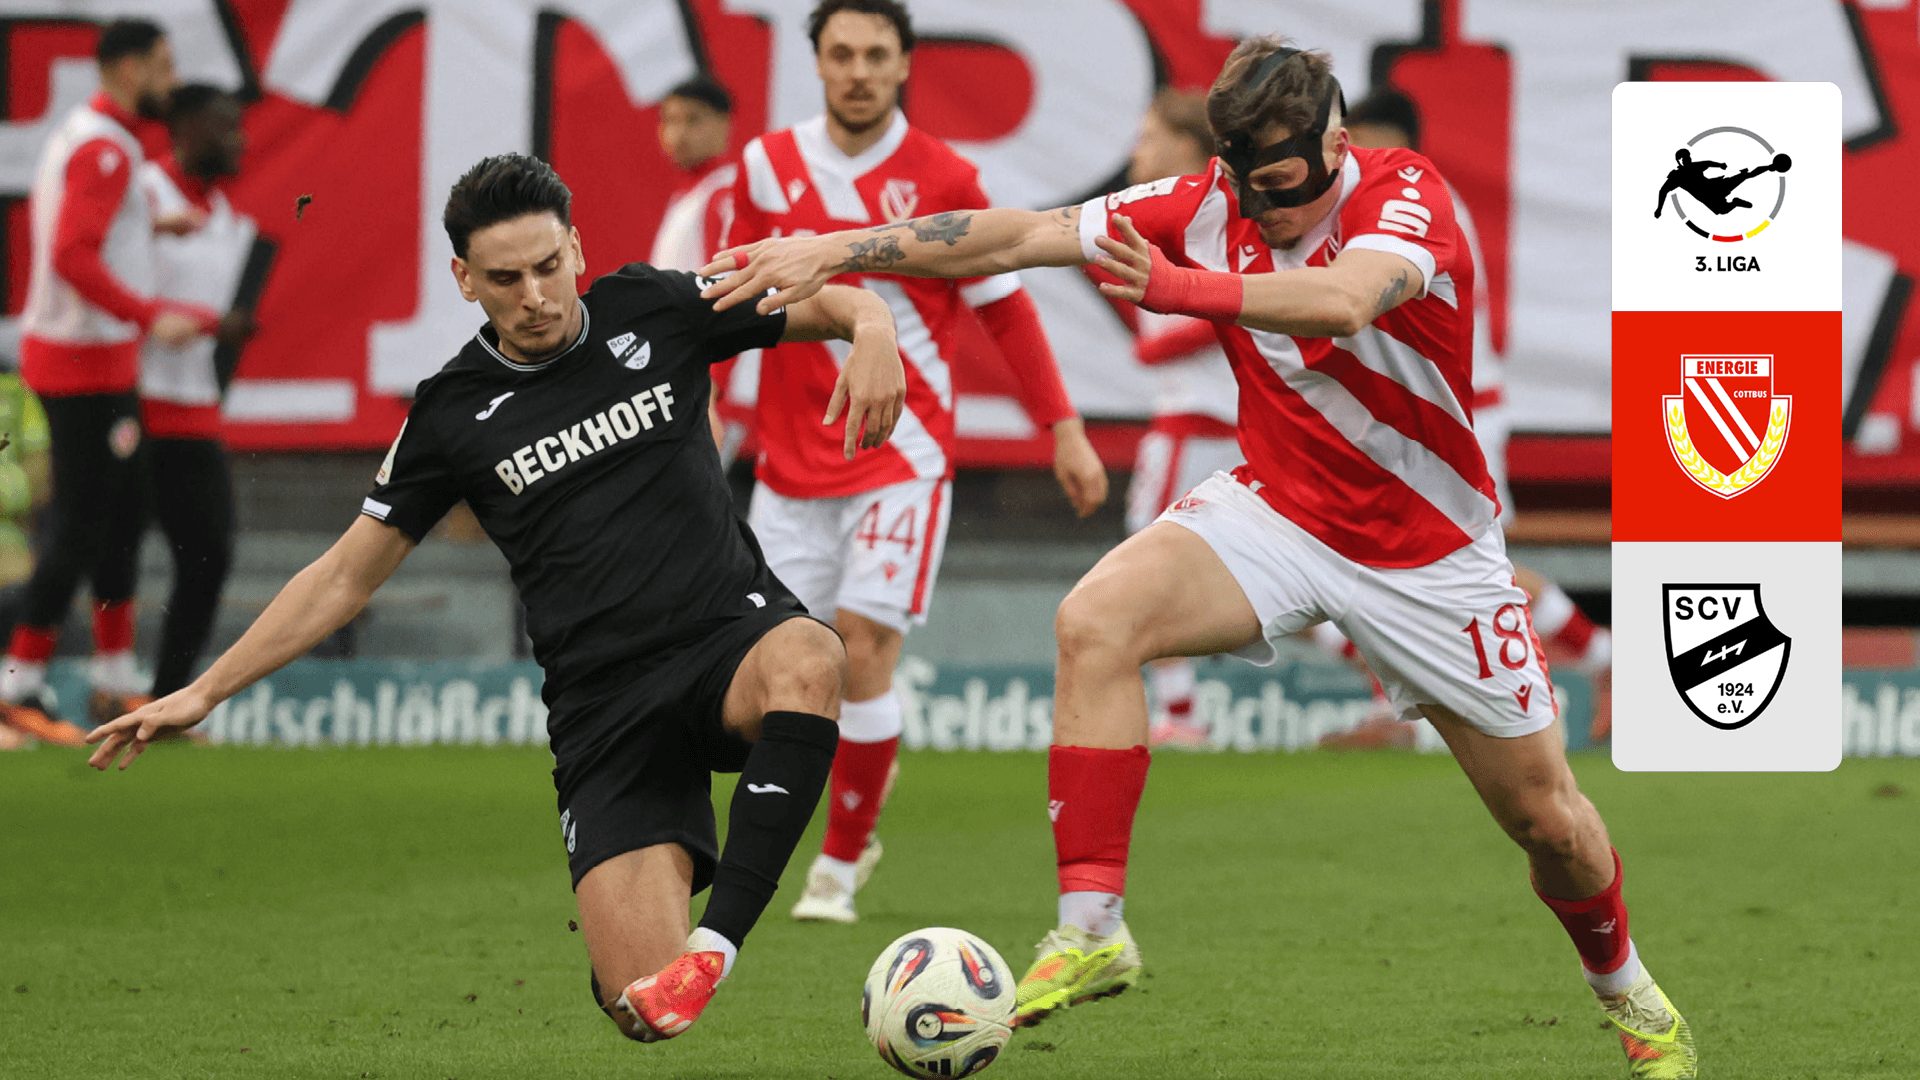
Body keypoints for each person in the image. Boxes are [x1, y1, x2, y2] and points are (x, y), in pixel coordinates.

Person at [700, 40, 1696, 1079]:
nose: (1266, 211)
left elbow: (1345, 300)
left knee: (1548, 822)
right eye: (1247, 186)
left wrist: (1186, 286)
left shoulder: (1406, 192)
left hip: (1428, 553)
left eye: (1284, 185)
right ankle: (1092, 930)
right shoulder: (1206, 201)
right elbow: (1018, 235)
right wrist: (839, 248)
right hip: (1282, 510)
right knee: (1095, 621)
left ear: (1336, 143)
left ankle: (1632, 993)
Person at [87, 153, 908, 1045]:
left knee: (811, 655)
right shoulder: (450, 413)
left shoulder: (653, 307)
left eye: (549, 266)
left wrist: (871, 326)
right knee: (641, 1005)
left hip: (725, 643)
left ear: (577, 249)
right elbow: (344, 575)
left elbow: (827, 300)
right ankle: (651, 935)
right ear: (465, 280)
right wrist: (206, 689)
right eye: (507, 279)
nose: (536, 296)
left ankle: (717, 945)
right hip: (604, 710)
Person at [724, 0, 1108, 925]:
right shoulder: (766, 166)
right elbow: (732, 298)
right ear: (817, 62)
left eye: (876, 54)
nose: (858, 70)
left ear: (904, 65)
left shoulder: (944, 176)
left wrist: (1063, 428)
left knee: (861, 649)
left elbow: (1006, 309)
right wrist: (706, 411)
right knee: (775, 670)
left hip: (905, 453)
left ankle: (838, 865)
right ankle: (830, 806)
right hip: (789, 463)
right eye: (841, 53)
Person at [1334, 89, 1612, 736]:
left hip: (1457, 420)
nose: (1352, 155)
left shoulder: (1417, 203)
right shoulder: (1397, 202)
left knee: (1467, 569)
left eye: (1362, 139)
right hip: (1428, 419)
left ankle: (1585, 667)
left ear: (1396, 140)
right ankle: (1411, 709)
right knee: (1395, 562)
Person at [6, 18, 219, 746]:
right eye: (163, 65)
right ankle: (16, 687)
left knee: (123, 515)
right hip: (81, 364)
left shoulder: (92, 136)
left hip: (95, 360)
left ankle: (112, 674)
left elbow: (82, 237)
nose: (170, 81)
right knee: (80, 525)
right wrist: (150, 314)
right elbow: (71, 254)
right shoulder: (104, 148)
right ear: (130, 68)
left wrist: (153, 230)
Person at [1118, 88, 1244, 750]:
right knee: (1262, 574)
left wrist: (1155, 344)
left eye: (1149, 136)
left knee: (1144, 568)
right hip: (1217, 422)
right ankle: (1380, 684)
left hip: (1194, 423)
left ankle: (1184, 716)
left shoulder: (1204, 212)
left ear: (1188, 145)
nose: (1137, 150)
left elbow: (1231, 304)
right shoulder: (1182, 211)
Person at [135, 84, 258, 701]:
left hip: (195, 414)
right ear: (183, 128)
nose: (239, 140)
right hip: (133, 404)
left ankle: (166, 700)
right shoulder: (144, 195)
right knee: (95, 556)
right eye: (224, 126)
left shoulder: (227, 218)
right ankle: (38, 681)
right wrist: (211, 323)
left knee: (209, 556)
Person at [649, 73, 755, 461]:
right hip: (687, 382)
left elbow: (732, 292)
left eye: (693, 120)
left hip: (713, 394)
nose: (678, 133)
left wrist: (712, 390)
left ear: (724, 124)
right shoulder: (691, 196)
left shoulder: (723, 194)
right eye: (670, 120)